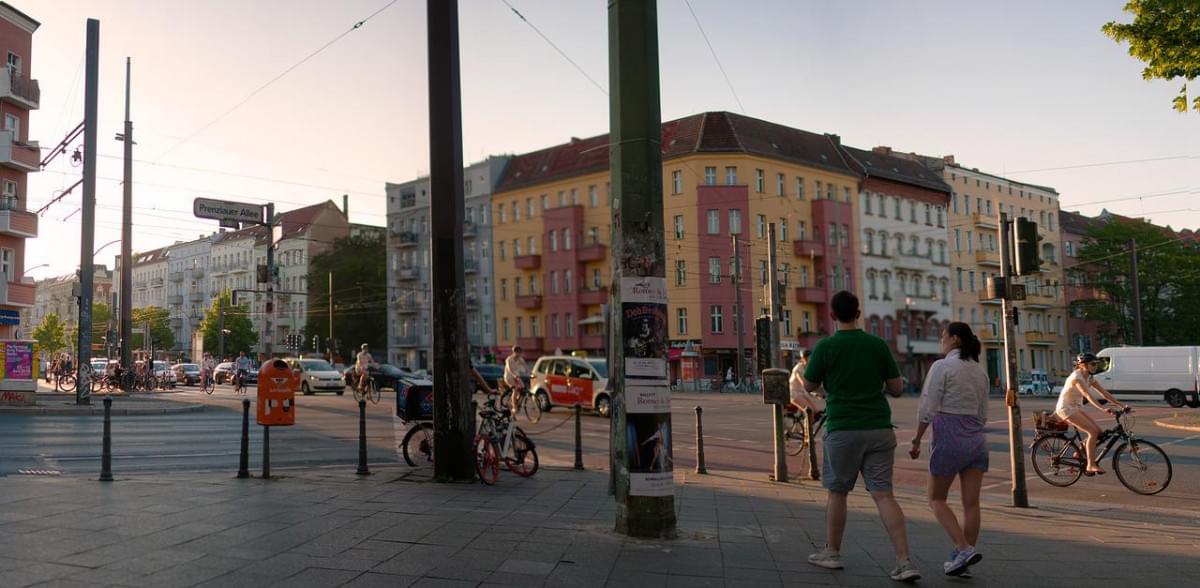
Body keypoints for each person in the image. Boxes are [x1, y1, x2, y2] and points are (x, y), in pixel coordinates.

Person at [803, 291, 919, 582]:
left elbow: (809, 383)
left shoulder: (825, 347)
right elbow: (896, 388)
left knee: (838, 492)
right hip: (879, 428)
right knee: (883, 495)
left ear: (831, 316)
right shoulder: (878, 345)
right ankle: (904, 562)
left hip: (843, 428)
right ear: (858, 313)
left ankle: (831, 553)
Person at [909, 322, 990, 577]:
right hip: (976, 439)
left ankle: (963, 548)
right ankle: (961, 560)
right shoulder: (980, 371)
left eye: (943, 336)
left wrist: (917, 438)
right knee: (971, 504)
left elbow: (928, 406)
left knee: (936, 498)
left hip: (949, 436)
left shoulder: (942, 366)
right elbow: (983, 412)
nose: (941, 341)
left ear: (955, 339)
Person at [1055, 352, 1127, 475]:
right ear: (1083, 365)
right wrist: (1102, 409)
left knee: (1098, 432)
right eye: (1093, 364)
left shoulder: (1089, 377)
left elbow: (1104, 393)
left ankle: (1078, 455)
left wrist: (1121, 405)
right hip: (1066, 409)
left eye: (1096, 364)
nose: (1095, 366)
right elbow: (1087, 395)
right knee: (1092, 432)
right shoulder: (1077, 377)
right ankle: (1090, 464)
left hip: (1076, 408)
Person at [789, 349, 826, 417]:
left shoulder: (808, 368)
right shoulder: (798, 368)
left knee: (816, 411)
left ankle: (807, 424)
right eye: (810, 358)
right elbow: (804, 384)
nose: (812, 359)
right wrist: (815, 393)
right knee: (810, 411)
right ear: (804, 358)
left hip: (802, 392)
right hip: (794, 393)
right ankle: (807, 427)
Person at [503, 345, 529, 411]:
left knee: (523, 387)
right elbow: (509, 369)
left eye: (520, 352)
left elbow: (525, 366)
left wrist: (530, 373)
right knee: (515, 389)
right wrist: (514, 375)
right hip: (508, 377)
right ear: (514, 352)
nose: (519, 354)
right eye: (517, 352)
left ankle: (516, 399)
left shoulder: (520, 359)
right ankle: (514, 406)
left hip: (516, 377)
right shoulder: (509, 359)